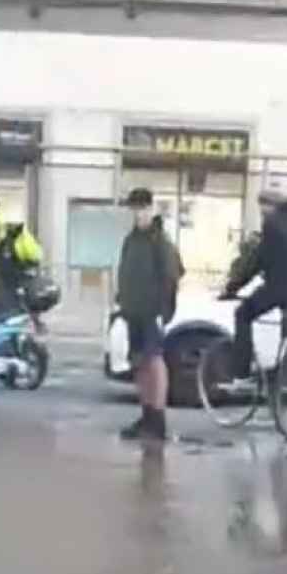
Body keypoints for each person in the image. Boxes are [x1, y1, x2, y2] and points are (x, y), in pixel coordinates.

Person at [222, 189, 287, 379]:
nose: (261, 213)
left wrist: (233, 286)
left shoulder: (273, 224)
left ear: (270, 206)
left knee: (242, 314)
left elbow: (258, 260)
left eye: (262, 209)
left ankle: (241, 370)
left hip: (281, 289)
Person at [116, 188, 184, 440]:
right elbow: (125, 271)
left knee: (154, 361)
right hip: (133, 310)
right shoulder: (131, 240)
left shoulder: (160, 241)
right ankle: (147, 415)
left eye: (143, 209)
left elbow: (172, 274)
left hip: (152, 311)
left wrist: (164, 310)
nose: (138, 214)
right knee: (139, 362)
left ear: (151, 209)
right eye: (134, 209)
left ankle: (158, 417)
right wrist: (121, 300)